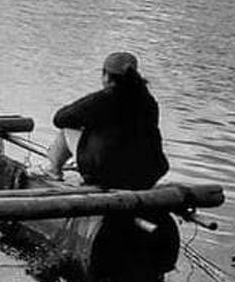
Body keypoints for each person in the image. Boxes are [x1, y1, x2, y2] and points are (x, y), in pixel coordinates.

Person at [48, 51, 171, 189]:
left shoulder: (103, 99)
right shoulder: (149, 101)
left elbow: (59, 119)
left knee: (66, 130)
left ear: (106, 76)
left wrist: (84, 122)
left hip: (108, 175)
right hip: (148, 176)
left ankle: (54, 174)